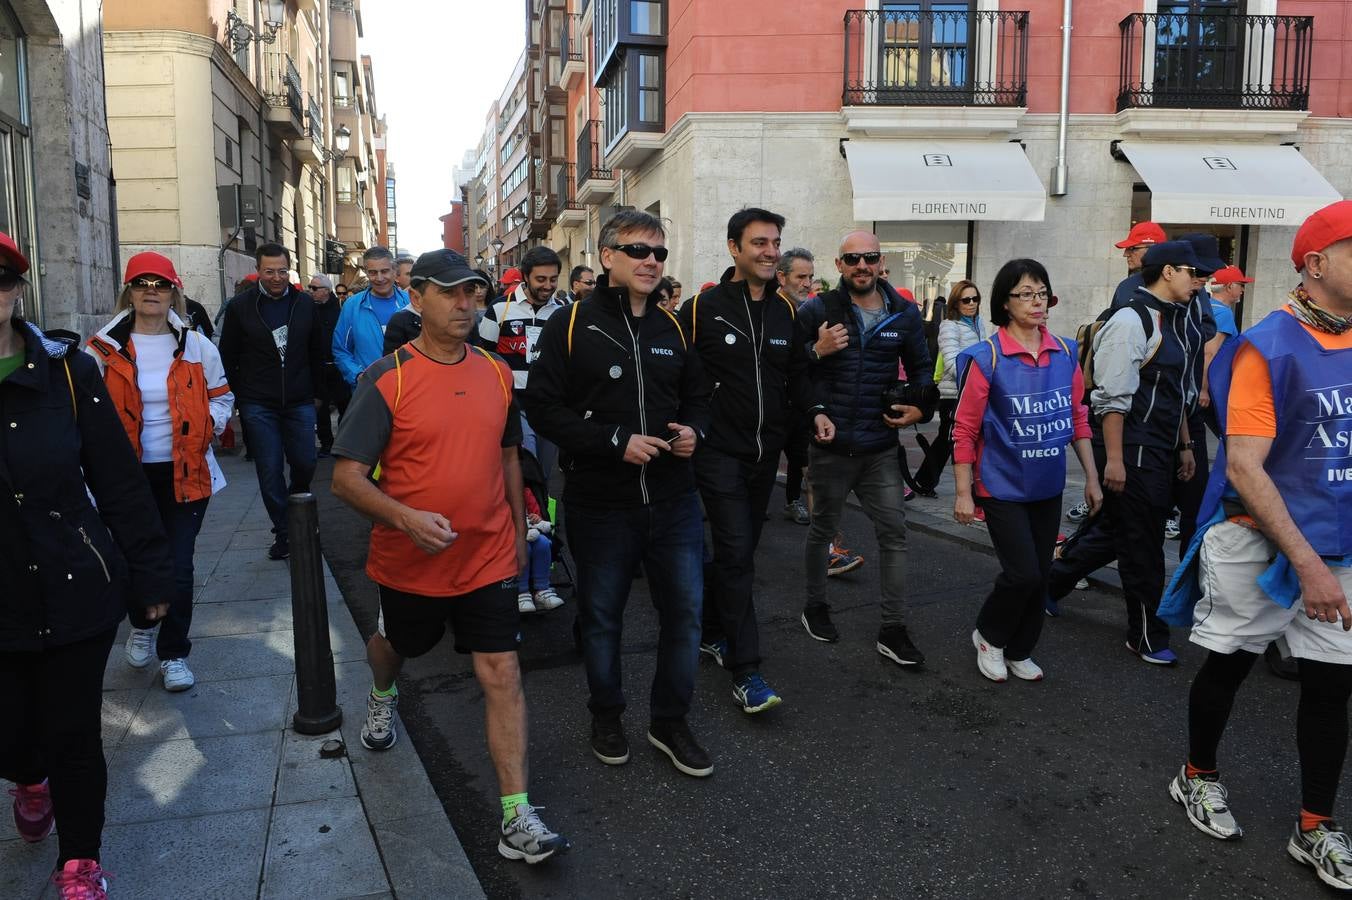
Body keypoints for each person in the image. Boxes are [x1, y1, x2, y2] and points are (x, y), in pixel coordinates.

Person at [330, 248, 569, 864]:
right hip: (410, 562)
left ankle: (516, 816)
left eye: (474, 293)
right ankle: (383, 695)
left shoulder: (494, 371)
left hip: (488, 555)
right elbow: (347, 478)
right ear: (418, 298)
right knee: (397, 645)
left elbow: (510, 455)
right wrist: (404, 517)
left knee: (502, 672)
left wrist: (519, 532)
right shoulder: (388, 376)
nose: (466, 304)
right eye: (451, 293)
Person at [1159, 199, 1352, 891]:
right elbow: (1244, 465)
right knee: (1230, 667)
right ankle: (1197, 775)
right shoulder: (1266, 346)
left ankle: (1315, 826)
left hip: (1340, 549)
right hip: (1262, 544)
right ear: (1317, 262)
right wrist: (1307, 566)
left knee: (1333, 687)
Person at [0, 231, 176, 899]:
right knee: (13, 735)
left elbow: (118, 477)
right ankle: (27, 773)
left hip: (73, 581)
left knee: (73, 730)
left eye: (0, 279)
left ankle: (81, 862)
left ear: (17, 292)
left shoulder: (69, 372)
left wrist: (151, 574)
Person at [521, 209, 713, 777]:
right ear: (608, 257)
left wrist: (692, 432)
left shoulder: (674, 327)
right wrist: (613, 441)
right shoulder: (572, 324)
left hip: (674, 500)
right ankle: (606, 713)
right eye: (638, 251)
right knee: (603, 617)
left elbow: (700, 398)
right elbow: (543, 408)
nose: (652, 261)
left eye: (659, 253)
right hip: (600, 502)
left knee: (685, 615)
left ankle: (669, 721)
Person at [681, 208, 832, 714]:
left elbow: (795, 375)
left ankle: (709, 629)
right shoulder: (703, 309)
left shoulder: (786, 311)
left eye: (775, 243)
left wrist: (815, 411)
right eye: (759, 243)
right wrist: (688, 428)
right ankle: (747, 671)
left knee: (735, 556)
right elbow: (676, 374)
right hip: (718, 452)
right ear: (734, 249)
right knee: (737, 553)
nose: (770, 252)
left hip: (765, 454)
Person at [1045, 241, 1206, 662]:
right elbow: (1111, 398)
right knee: (1143, 544)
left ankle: (1049, 583)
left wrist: (1185, 445)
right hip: (1130, 448)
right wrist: (1113, 460)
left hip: (1161, 447)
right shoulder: (1132, 320)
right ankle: (1147, 634)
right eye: (1193, 271)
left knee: (1121, 531)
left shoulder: (1176, 317)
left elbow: (1177, 392)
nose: (1200, 280)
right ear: (1168, 271)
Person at [87, 251, 234, 692]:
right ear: (128, 292)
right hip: (126, 478)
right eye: (142, 283)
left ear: (174, 291)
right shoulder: (100, 349)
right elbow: (85, 414)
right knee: (134, 561)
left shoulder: (198, 346)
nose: (151, 291)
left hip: (186, 473)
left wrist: (208, 428)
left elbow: (223, 398)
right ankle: (143, 623)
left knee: (178, 566)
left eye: (161, 283)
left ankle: (173, 653)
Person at [951, 259, 1102, 682]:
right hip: (1001, 485)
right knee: (1022, 574)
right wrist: (963, 491)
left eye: (1042, 293)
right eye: (1026, 294)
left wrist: (1091, 477)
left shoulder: (1066, 351)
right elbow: (963, 429)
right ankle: (990, 636)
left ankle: (1020, 648)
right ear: (1004, 302)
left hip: (1047, 485)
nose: (1037, 303)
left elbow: (1077, 417)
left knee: (1041, 576)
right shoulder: (986, 358)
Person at [796, 230, 935, 665]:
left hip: (879, 450)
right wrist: (816, 355)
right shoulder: (818, 309)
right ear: (839, 266)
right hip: (832, 447)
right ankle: (815, 605)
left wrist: (919, 411)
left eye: (869, 258)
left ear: (881, 263)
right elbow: (792, 372)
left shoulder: (905, 313)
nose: (862, 266)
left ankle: (893, 628)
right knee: (822, 529)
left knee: (894, 535)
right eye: (852, 259)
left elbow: (923, 376)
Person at [218, 242, 326, 560]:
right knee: (269, 469)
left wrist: (319, 393)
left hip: (300, 399)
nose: (276, 277)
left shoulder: (305, 305)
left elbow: (317, 352)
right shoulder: (240, 307)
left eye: (282, 271)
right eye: (269, 271)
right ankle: (284, 531)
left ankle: (296, 511)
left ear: (289, 269)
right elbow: (228, 355)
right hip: (257, 402)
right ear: (258, 270)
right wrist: (239, 395)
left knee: (306, 461)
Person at [479, 246, 565, 481]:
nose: (548, 286)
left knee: (545, 473)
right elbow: (483, 359)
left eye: (553, 279)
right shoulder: (498, 309)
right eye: (540, 279)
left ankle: (546, 516)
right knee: (526, 469)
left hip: (550, 405)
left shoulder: (562, 313)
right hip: (514, 404)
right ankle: (524, 516)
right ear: (525, 277)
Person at [915, 280, 987, 495]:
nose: (972, 303)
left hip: (974, 393)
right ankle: (925, 482)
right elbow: (952, 361)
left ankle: (977, 488)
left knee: (970, 440)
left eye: (975, 299)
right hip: (953, 394)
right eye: (966, 299)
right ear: (956, 302)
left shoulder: (978, 322)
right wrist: (977, 377)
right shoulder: (949, 326)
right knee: (947, 441)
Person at [776, 247, 816, 526]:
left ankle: (796, 503)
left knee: (806, 464)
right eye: (801, 276)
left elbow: (804, 362)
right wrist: (817, 351)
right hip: (770, 407)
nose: (807, 283)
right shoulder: (770, 310)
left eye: (810, 277)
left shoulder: (807, 310)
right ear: (781, 277)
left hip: (798, 405)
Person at [333, 247, 410, 387]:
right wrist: (357, 375)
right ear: (367, 273)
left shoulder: (411, 303)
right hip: (369, 392)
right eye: (373, 273)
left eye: (385, 271)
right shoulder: (352, 306)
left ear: (394, 272)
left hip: (407, 389)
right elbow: (341, 350)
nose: (379, 278)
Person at [518, 455, 564, 613]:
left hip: (532, 530)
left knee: (544, 544)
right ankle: (522, 591)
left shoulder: (526, 493)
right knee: (524, 548)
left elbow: (537, 514)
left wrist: (536, 518)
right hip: (511, 534)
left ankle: (542, 589)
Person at [308, 273, 348, 457]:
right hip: (318, 367)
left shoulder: (341, 309)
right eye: (310, 287)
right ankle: (326, 443)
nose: (311, 291)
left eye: (314, 288)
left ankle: (344, 443)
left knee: (344, 406)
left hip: (338, 367)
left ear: (325, 291)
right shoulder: (308, 309)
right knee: (320, 408)